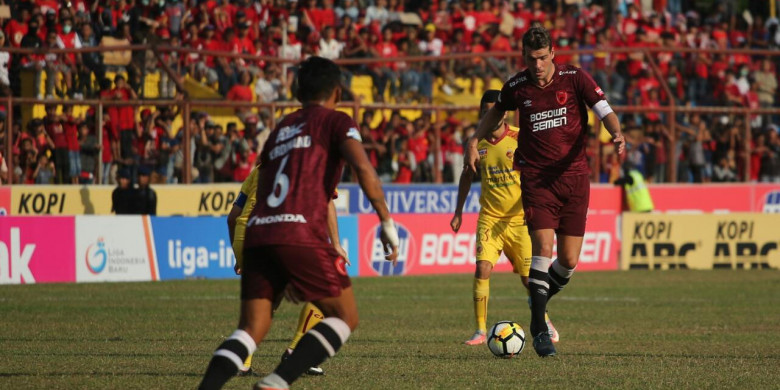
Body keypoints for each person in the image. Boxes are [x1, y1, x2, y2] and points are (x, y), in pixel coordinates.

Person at [198, 56, 399, 390]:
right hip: (298, 230)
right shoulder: (336, 121)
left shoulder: (281, 128)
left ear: (296, 89)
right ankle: (277, 382)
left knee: (249, 330)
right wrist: (386, 221)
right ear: (337, 91)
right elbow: (364, 169)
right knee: (345, 316)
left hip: (261, 232)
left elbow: (262, 184)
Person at [464, 27, 625, 358]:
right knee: (543, 249)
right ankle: (539, 328)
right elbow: (495, 111)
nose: (536, 65)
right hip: (536, 178)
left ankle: (537, 298)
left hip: (575, 177)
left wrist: (617, 134)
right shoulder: (516, 86)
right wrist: (472, 140)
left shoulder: (575, 77)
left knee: (567, 261)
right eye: (530, 58)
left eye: (541, 57)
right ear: (524, 57)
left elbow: (603, 109)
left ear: (552, 53)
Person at [452, 90, 558, 346]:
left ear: (506, 111)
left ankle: (544, 320)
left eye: (495, 109)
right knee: (482, 268)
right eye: (486, 110)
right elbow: (467, 176)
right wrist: (458, 211)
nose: (492, 114)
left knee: (528, 279)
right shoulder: (477, 144)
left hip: (520, 219)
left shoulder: (520, 138)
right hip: (490, 218)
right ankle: (479, 330)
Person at [226, 162, 347, 377]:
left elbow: (233, 216)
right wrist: (335, 244)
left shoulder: (259, 168)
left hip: (244, 238)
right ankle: (297, 351)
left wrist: (238, 254)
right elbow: (326, 200)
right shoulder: (309, 161)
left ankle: (242, 361)